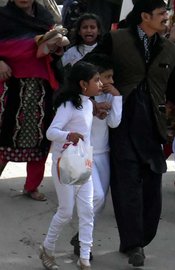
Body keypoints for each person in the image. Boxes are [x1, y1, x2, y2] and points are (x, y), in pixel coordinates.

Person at [88, 0, 175, 266]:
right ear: (144, 16)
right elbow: (89, 67)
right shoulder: (116, 39)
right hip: (121, 123)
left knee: (152, 188)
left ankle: (140, 239)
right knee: (126, 187)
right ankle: (134, 245)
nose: (166, 19)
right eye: (160, 15)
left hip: (152, 126)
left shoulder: (169, 49)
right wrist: (93, 97)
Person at [40, 61, 103, 270]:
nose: (101, 83)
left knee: (87, 210)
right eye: (97, 80)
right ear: (83, 84)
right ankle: (47, 248)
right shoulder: (69, 105)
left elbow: (86, 137)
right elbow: (51, 132)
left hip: (82, 162)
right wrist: (69, 135)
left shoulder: (87, 103)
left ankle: (84, 259)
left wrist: (88, 158)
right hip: (64, 164)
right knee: (66, 212)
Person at [0, 0, 64, 202]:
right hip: (7, 83)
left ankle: (31, 186)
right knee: (3, 131)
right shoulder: (2, 16)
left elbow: (54, 53)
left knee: (40, 136)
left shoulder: (46, 18)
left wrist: (54, 46)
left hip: (39, 86)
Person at [68, 53, 122, 260]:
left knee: (98, 202)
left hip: (103, 154)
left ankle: (82, 238)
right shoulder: (77, 99)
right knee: (94, 197)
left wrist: (116, 96)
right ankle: (83, 244)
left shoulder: (109, 96)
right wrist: (92, 109)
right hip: (80, 154)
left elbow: (114, 123)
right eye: (107, 77)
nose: (110, 82)